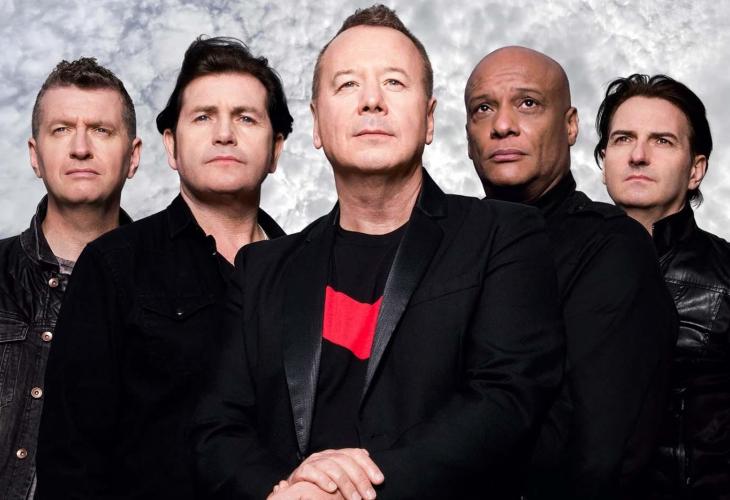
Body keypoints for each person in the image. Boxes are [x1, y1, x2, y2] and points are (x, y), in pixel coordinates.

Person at [192, 6, 564, 500]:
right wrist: (282, 492)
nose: (371, 101)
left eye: (393, 82)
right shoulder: (261, 269)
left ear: (429, 119)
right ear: (317, 124)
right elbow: (218, 429)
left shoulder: (504, 234)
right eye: (348, 84)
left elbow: (506, 399)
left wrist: (340, 494)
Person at [36, 36, 292, 499]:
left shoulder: (309, 272)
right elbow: (70, 461)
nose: (224, 134)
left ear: (276, 150)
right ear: (171, 146)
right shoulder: (113, 264)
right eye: (203, 117)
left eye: (246, 117)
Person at [464, 47, 677, 499]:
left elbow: (594, 457)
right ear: (468, 136)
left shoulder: (611, 246)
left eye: (528, 103)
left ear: (570, 125)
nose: (502, 125)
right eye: (483, 108)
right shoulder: (446, 246)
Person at [0, 58, 140, 499]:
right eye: (61, 129)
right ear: (34, 155)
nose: (80, 147)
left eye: (101, 130)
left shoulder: (170, 292)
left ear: (133, 156)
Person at [596, 73, 730, 499]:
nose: (638, 155)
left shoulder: (726, 274)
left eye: (662, 141)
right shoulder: (554, 263)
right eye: (623, 139)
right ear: (604, 162)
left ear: (696, 170)